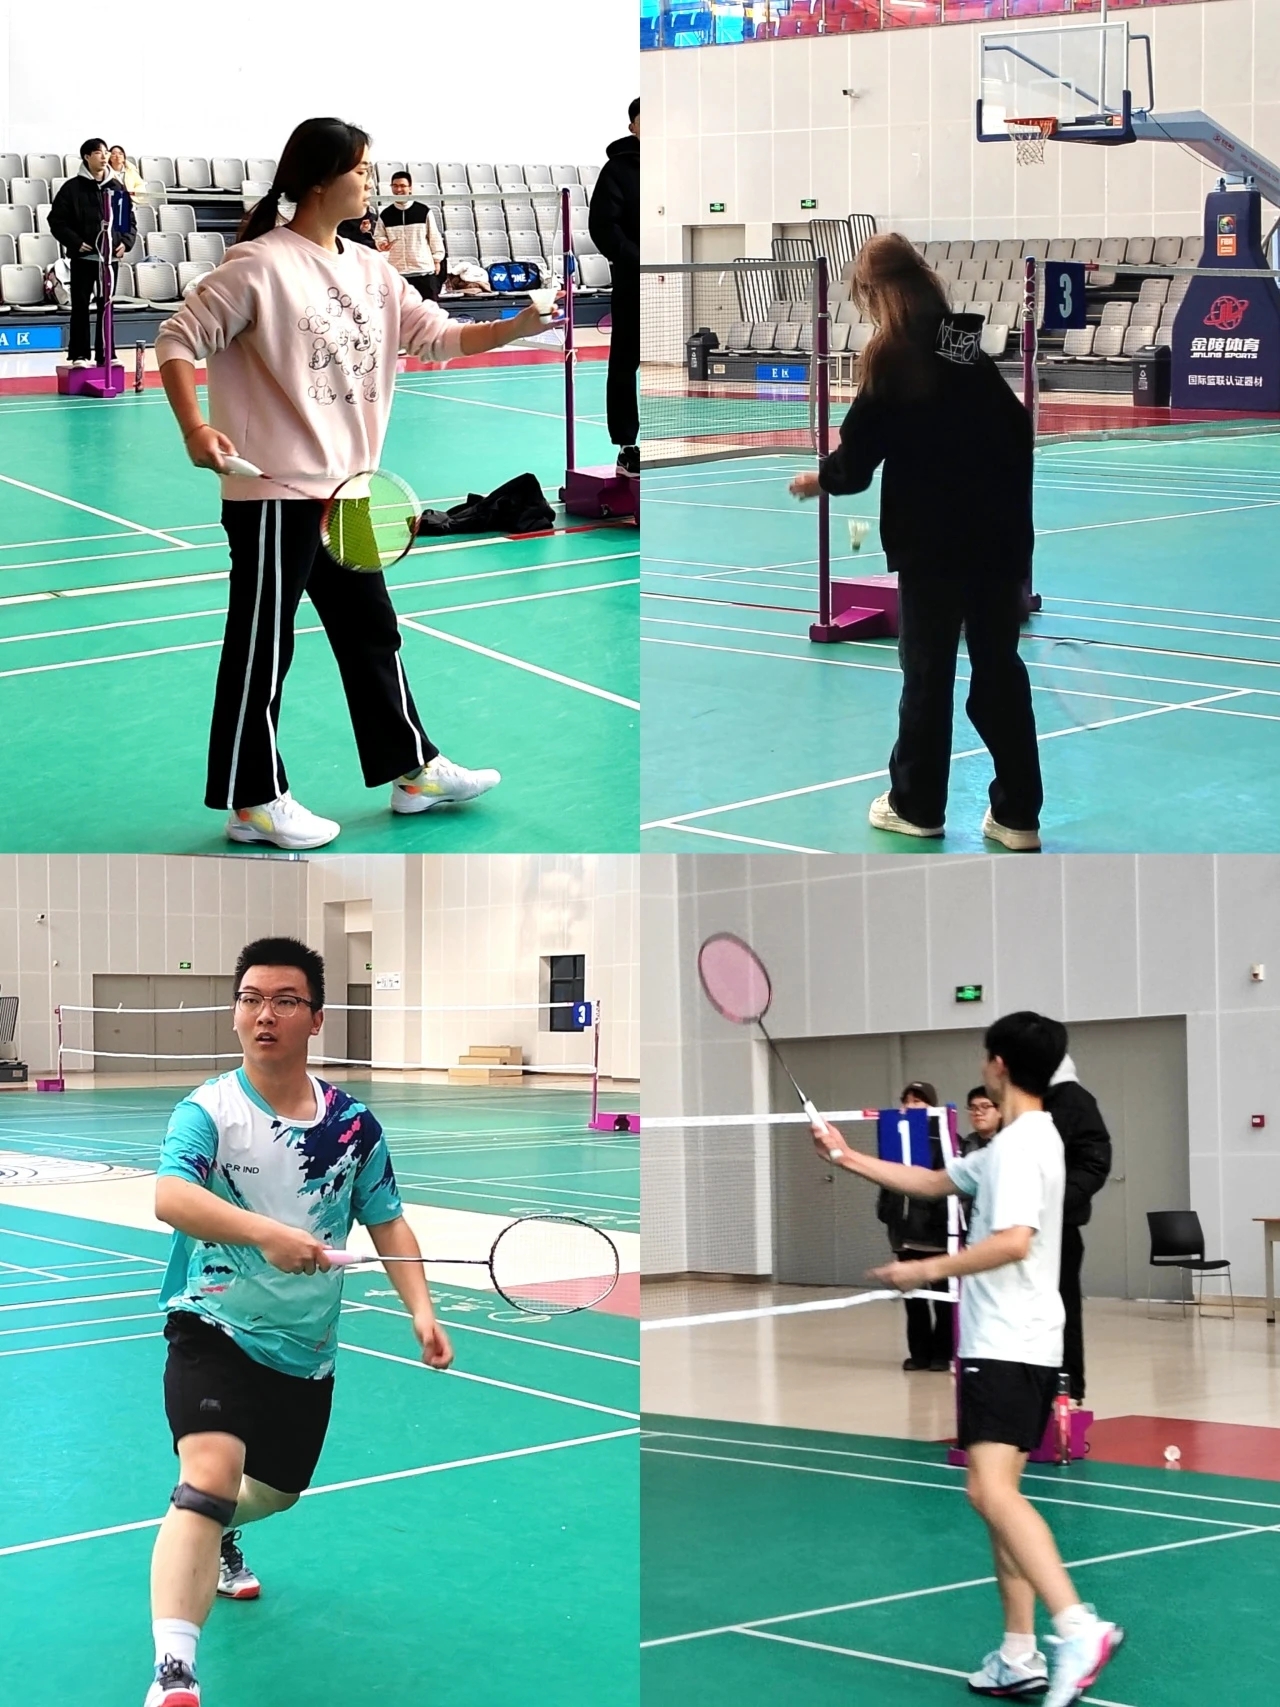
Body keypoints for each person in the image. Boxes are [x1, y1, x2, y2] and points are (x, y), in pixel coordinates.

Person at [155, 117, 556, 850]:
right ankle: (252, 800)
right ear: (320, 181)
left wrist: (517, 325)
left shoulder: (373, 269)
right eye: (362, 169)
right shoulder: (258, 266)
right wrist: (194, 428)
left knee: (373, 633)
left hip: (348, 492)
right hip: (274, 491)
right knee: (261, 646)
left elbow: (438, 336)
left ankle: (414, 771)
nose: (371, 181)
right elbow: (176, 340)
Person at [145, 935, 452, 1707]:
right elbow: (171, 1197)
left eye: (285, 1000)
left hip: (304, 1352)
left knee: (276, 1492)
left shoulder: (353, 1127)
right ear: (235, 1012)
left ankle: (218, 1526)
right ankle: (174, 1673)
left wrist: (422, 1309)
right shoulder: (209, 1111)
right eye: (251, 998)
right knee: (207, 1476)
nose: (264, 1014)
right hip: (211, 1323)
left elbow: (388, 1219)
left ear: (315, 1018)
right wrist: (266, 1235)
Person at [811, 1012, 1123, 1707]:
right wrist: (846, 1156)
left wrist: (924, 1271)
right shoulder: (1027, 1138)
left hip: (1004, 1342)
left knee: (989, 1493)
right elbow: (934, 1182)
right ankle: (1017, 1654)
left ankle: (1078, 1627)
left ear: (999, 1064)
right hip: (1029, 1342)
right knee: (999, 1499)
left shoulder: (1019, 1149)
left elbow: (1013, 1240)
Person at [790, 233, 1042, 853]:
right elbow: (1016, 430)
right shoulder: (962, 345)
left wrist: (820, 479)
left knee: (927, 677)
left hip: (933, 547)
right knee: (1000, 675)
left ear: (873, 294)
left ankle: (916, 805)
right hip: (999, 539)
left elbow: (857, 460)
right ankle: (1018, 818)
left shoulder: (892, 356)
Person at [1044, 1051, 1112, 1406]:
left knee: (1062, 1307)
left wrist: (1057, 1200)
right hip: (1024, 1225)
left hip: (1060, 1227)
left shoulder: (1075, 1100)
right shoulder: (1026, 1101)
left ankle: (1067, 1386)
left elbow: (1094, 1162)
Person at [877, 1080, 952, 1370]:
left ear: (932, 1107)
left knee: (943, 1298)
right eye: (907, 1100)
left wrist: (941, 1220)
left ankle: (943, 1354)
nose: (910, 1106)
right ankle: (919, 1354)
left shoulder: (947, 1139)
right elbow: (886, 1179)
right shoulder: (895, 1139)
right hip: (904, 1235)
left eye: (918, 1101)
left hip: (937, 1236)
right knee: (913, 1299)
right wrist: (887, 1211)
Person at [47, 137, 135, 368]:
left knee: (107, 306)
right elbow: (57, 221)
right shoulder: (71, 188)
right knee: (80, 306)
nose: (104, 156)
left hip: (109, 261)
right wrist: (75, 242)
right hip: (83, 259)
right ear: (87, 157)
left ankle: (107, 354)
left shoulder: (117, 187)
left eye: (105, 152)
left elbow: (128, 221)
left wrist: (125, 242)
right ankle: (80, 355)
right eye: (98, 153)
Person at [588, 97, 639, 479]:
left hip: (676, 279)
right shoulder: (618, 169)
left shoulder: (681, 164)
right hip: (633, 278)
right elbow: (603, 225)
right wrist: (635, 257)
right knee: (625, 361)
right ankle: (627, 445)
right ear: (633, 125)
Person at [376, 171, 445, 298]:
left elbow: (434, 237)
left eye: (402, 186)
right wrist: (382, 243)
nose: (398, 189)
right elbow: (379, 236)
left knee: (428, 307)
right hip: (398, 273)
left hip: (423, 272)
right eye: (395, 186)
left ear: (410, 188)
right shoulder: (385, 214)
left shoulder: (423, 211)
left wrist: (437, 260)